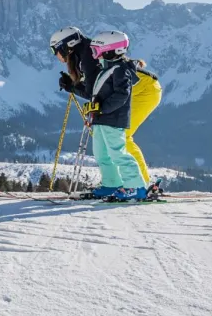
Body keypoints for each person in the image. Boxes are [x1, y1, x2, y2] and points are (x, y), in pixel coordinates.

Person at [49, 27, 160, 198]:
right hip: (134, 90)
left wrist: (72, 87)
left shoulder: (88, 57)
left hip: (144, 90)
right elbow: (97, 90)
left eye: (55, 50)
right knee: (106, 140)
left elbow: (93, 91)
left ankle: (140, 186)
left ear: (67, 46)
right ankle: (114, 183)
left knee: (122, 136)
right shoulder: (84, 54)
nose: (56, 55)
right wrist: (73, 86)